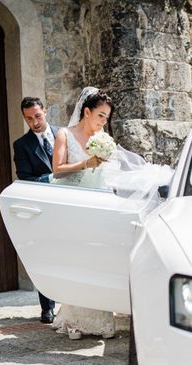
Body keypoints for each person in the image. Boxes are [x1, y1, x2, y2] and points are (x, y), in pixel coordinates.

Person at [49, 87, 117, 339]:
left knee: (98, 259)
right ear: (86, 111)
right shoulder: (64, 135)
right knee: (77, 260)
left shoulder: (104, 139)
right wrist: (86, 163)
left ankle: (100, 319)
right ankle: (74, 320)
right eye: (100, 115)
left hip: (97, 204)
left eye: (106, 117)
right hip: (73, 204)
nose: (103, 121)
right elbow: (57, 169)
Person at [13, 97, 57, 323]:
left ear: (46, 111)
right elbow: (25, 179)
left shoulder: (64, 135)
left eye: (37, 116)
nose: (34, 122)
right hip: (42, 209)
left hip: (69, 206)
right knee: (45, 256)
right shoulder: (21, 145)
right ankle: (47, 307)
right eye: (29, 118)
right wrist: (51, 178)